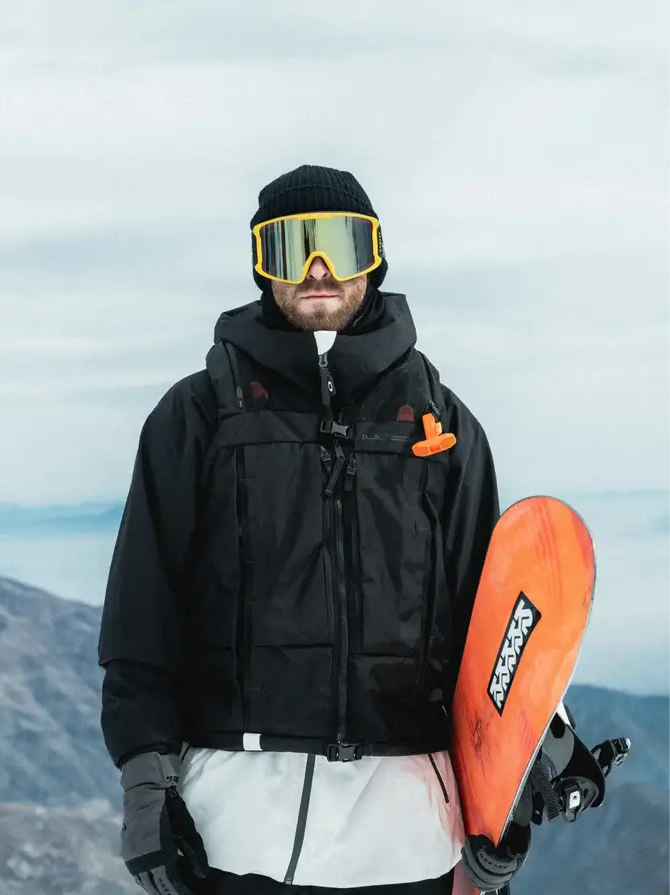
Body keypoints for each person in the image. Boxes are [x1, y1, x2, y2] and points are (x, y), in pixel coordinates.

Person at [97, 165, 553, 895]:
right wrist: (146, 784)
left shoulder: (440, 426)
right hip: (237, 827)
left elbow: (492, 633)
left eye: (341, 245)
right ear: (262, 265)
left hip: (410, 831)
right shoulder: (199, 416)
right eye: (291, 247)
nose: (317, 269)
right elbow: (141, 620)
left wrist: (509, 791)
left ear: (374, 256)